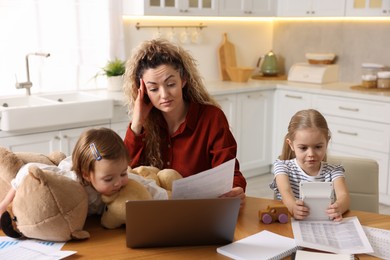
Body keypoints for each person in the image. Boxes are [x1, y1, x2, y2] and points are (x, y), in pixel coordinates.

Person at [122, 39, 246, 205]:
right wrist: (137, 123)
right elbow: (125, 174)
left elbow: (229, 172)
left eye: (171, 84)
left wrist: (235, 189)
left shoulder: (211, 118)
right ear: (142, 91)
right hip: (156, 212)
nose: (164, 95)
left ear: (184, 80)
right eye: (153, 89)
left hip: (200, 211)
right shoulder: (143, 126)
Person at [0, 127, 167, 220]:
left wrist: (167, 203)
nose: (118, 182)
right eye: (108, 178)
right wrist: (5, 203)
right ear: (87, 175)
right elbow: (27, 171)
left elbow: (149, 188)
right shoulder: (69, 182)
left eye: (123, 173)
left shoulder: (123, 180)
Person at [270, 109, 350, 221]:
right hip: (289, 226)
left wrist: (339, 208)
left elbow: (344, 196)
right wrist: (293, 207)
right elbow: (285, 192)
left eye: (318, 147)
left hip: (323, 226)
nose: (311, 154)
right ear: (291, 144)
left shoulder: (334, 171)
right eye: (303, 148)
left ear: (327, 142)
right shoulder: (282, 167)